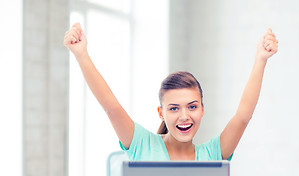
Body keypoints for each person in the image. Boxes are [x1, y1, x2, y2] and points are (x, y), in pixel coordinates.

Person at [64, 23, 278, 161]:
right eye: (174, 108)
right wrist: (81, 54)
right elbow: (111, 107)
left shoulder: (213, 155)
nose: (184, 116)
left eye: (192, 106)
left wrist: (260, 60)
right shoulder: (141, 145)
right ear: (161, 112)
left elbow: (243, 116)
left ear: (202, 109)